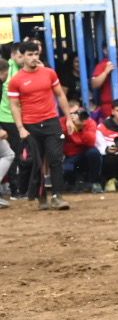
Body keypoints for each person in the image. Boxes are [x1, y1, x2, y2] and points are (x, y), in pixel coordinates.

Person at [6, 40, 72, 210]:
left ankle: (58, 196)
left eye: (36, 54)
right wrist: (20, 127)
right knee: (36, 162)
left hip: (51, 121)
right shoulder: (16, 80)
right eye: (30, 55)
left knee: (56, 158)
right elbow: (14, 104)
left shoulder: (49, 73)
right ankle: (41, 196)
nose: (34, 58)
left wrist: (69, 118)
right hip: (30, 125)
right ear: (22, 57)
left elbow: (60, 95)